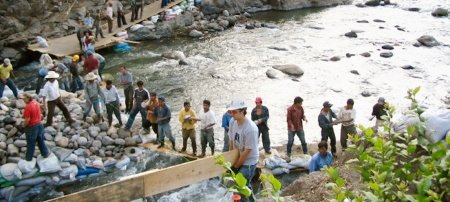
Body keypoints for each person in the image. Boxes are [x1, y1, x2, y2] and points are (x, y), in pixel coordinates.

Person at [228, 99, 259, 202]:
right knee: (246, 186)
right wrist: (230, 158)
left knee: (239, 187)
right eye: (231, 111)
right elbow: (231, 140)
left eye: (235, 112)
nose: (232, 114)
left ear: (243, 111)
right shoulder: (233, 122)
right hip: (238, 156)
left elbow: (247, 152)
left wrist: (236, 166)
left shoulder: (250, 129)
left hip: (249, 162)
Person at [21, 93, 50, 161]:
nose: (23, 100)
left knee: (31, 143)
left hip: (32, 127)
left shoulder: (28, 107)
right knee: (41, 141)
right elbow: (41, 109)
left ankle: (28, 158)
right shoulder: (35, 102)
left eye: (24, 99)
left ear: (28, 98)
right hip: (39, 125)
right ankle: (45, 153)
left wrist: (23, 126)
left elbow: (27, 120)